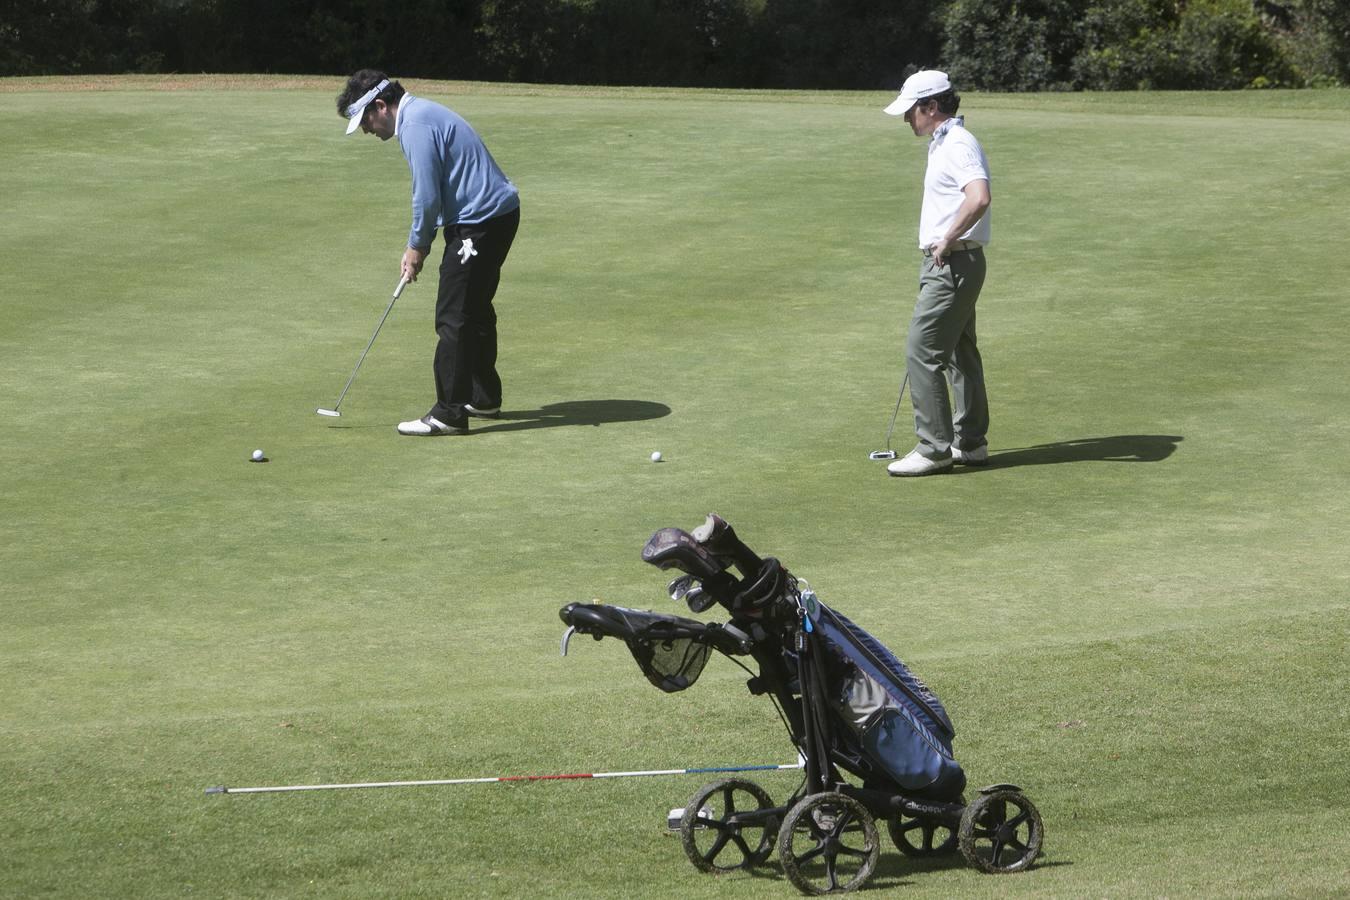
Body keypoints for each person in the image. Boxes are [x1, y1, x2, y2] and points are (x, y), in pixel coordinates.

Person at [337, 70, 521, 436]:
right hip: (496, 215)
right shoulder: (419, 114)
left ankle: (450, 413)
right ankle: (483, 397)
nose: (366, 130)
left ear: (380, 106)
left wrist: (417, 245)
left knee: (453, 314)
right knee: (474, 308)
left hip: (480, 221)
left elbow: (426, 196)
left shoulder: (414, 126)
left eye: (365, 121)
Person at [882, 70, 992, 476]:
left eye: (911, 111)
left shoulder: (957, 144)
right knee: (960, 352)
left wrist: (946, 239)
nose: (907, 119)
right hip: (958, 261)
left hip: (952, 261)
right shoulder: (945, 142)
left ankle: (934, 448)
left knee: (922, 350)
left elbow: (978, 197)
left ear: (931, 106)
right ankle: (971, 443)